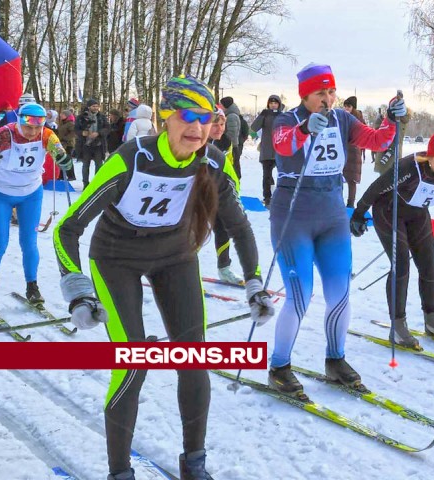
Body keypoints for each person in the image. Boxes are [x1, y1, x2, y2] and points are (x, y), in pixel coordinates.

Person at [53, 75, 274, 480]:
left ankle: (195, 463)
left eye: (207, 118)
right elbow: (68, 227)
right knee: (133, 363)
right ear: (166, 118)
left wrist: (254, 282)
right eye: (187, 116)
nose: (197, 127)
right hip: (117, 259)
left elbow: (240, 227)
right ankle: (119, 472)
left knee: (194, 359)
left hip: (174, 258)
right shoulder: (132, 158)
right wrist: (77, 288)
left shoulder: (211, 163)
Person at [268, 63, 404, 395]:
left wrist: (392, 118)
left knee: (339, 294)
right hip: (294, 216)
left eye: (331, 92)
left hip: (331, 214)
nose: (327, 99)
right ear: (305, 95)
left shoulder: (343, 119)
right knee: (300, 296)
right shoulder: (286, 119)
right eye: (320, 93)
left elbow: (376, 141)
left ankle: (335, 359)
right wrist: (304, 130)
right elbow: (281, 145)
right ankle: (279, 366)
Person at [350, 127, 434, 349]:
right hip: (389, 212)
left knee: (428, 264)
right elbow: (377, 187)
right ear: (430, 157)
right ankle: (398, 326)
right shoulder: (410, 167)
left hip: (418, 214)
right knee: (400, 265)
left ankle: (432, 319)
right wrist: (359, 213)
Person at [0, 103, 71, 309]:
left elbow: (60, 153)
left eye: (37, 128)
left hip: (30, 194)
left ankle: (32, 287)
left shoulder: (48, 135)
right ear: (20, 121)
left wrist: (64, 160)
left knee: (29, 243)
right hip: (0, 194)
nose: (32, 133)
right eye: (28, 127)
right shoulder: (5, 135)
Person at [208, 104, 243, 284]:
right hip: (196, 196)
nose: (219, 128)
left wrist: (234, 187)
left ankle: (224, 268)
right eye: (215, 124)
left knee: (222, 229)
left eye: (222, 124)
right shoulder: (197, 141)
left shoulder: (226, 142)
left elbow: (230, 167)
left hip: (219, 194)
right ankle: (182, 272)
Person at [250, 94, 283, 208]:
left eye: (275, 103)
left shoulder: (282, 116)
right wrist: (262, 116)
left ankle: (282, 197)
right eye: (271, 103)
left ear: (279, 104)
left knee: (283, 176)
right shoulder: (265, 115)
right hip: (267, 150)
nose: (273, 105)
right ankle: (267, 198)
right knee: (267, 176)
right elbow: (254, 128)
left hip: (280, 151)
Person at [75, 99, 109, 189]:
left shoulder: (102, 117)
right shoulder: (81, 117)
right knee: (85, 165)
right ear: (89, 107)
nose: (96, 108)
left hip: (98, 144)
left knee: (99, 165)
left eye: (97, 106)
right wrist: (82, 133)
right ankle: (85, 184)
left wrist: (98, 133)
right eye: (94, 106)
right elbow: (76, 129)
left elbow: (107, 128)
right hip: (85, 145)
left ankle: (97, 184)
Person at [342, 96, 365, 208]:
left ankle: (350, 204)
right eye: (345, 106)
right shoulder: (342, 117)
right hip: (343, 150)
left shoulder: (358, 119)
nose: (346, 108)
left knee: (352, 180)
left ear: (353, 107)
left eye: (349, 106)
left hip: (354, 152)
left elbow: (364, 133)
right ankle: (338, 202)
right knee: (339, 178)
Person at [219, 96, 242, 179]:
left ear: (225, 105)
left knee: (233, 167)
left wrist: (225, 143)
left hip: (232, 146)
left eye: (221, 104)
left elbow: (232, 133)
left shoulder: (231, 116)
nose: (220, 106)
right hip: (231, 145)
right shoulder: (229, 115)